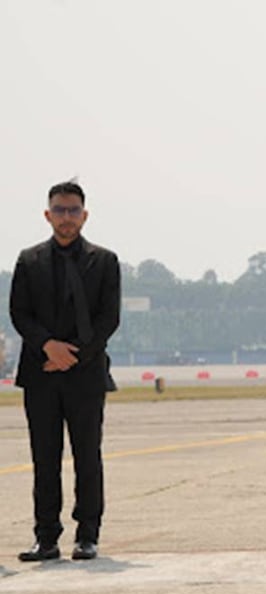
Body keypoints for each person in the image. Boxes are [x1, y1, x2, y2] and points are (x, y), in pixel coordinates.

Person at [10, 181, 121, 562]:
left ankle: (87, 535)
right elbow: (19, 313)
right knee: (45, 458)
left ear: (84, 215)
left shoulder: (105, 261)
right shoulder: (28, 260)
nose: (67, 217)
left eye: (73, 210)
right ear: (47, 215)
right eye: (60, 210)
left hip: (85, 372)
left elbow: (109, 318)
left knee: (87, 455)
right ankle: (46, 537)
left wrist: (74, 355)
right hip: (40, 371)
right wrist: (48, 347)